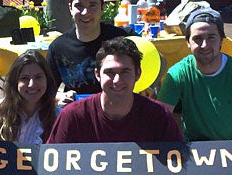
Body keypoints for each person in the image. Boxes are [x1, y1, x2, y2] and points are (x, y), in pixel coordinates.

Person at [46, 37, 183, 143]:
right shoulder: (73, 116)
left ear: (138, 74)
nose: (117, 80)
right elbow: (53, 168)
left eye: (125, 72)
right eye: (110, 72)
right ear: (97, 74)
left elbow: (178, 167)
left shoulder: (159, 116)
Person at [157, 7, 232, 141]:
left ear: (222, 40)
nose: (204, 45)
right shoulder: (177, 74)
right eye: (197, 39)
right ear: (187, 42)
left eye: (211, 38)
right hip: (192, 148)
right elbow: (159, 122)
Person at [46, 0, 133, 106]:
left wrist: (148, 85)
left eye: (92, 5)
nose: (85, 12)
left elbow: (159, 61)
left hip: (118, 114)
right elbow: (45, 90)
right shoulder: (59, 47)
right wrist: (59, 97)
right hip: (78, 116)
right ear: (70, 8)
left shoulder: (121, 38)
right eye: (79, 6)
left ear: (102, 7)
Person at [0, 50, 60, 144]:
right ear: (15, 82)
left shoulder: (58, 116)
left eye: (38, 77)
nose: (32, 85)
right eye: (24, 78)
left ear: (47, 79)